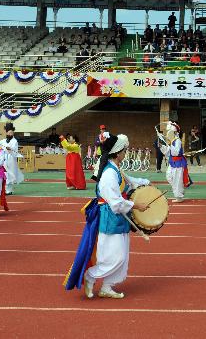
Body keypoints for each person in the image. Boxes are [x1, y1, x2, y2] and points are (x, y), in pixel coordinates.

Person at [63, 134, 151, 299]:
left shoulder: (116, 169)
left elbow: (131, 181)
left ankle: (107, 287)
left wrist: (146, 183)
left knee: (121, 255)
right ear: (118, 153)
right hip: (111, 216)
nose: (126, 153)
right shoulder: (109, 174)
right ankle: (90, 276)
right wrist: (137, 205)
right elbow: (116, 203)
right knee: (115, 256)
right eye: (125, 151)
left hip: (119, 216)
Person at [161, 121, 191, 203]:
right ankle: (178, 191)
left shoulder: (177, 141)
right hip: (172, 162)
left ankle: (179, 196)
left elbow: (176, 152)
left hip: (178, 162)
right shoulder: (173, 141)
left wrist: (169, 146)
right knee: (169, 176)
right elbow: (168, 152)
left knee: (177, 179)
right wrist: (162, 147)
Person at [1, 126, 23, 195]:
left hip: (11, 159)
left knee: (11, 174)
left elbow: (14, 150)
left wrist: (9, 149)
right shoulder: (2, 141)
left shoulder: (15, 141)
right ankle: (5, 189)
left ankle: (9, 190)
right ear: (6, 132)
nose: (10, 134)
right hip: (4, 159)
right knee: (5, 174)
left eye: (12, 133)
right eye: (9, 133)